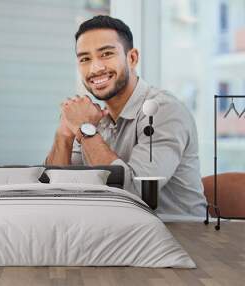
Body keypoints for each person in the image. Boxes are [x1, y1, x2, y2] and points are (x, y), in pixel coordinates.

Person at [45, 15, 207, 216]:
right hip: (120, 235)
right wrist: (64, 134)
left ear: (132, 58)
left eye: (106, 54)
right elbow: (53, 194)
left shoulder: (162, 110)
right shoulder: (92, 117)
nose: (95, 68)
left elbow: (132, 195)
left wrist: (85, 129)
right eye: (85, 59)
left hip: (179, 238)